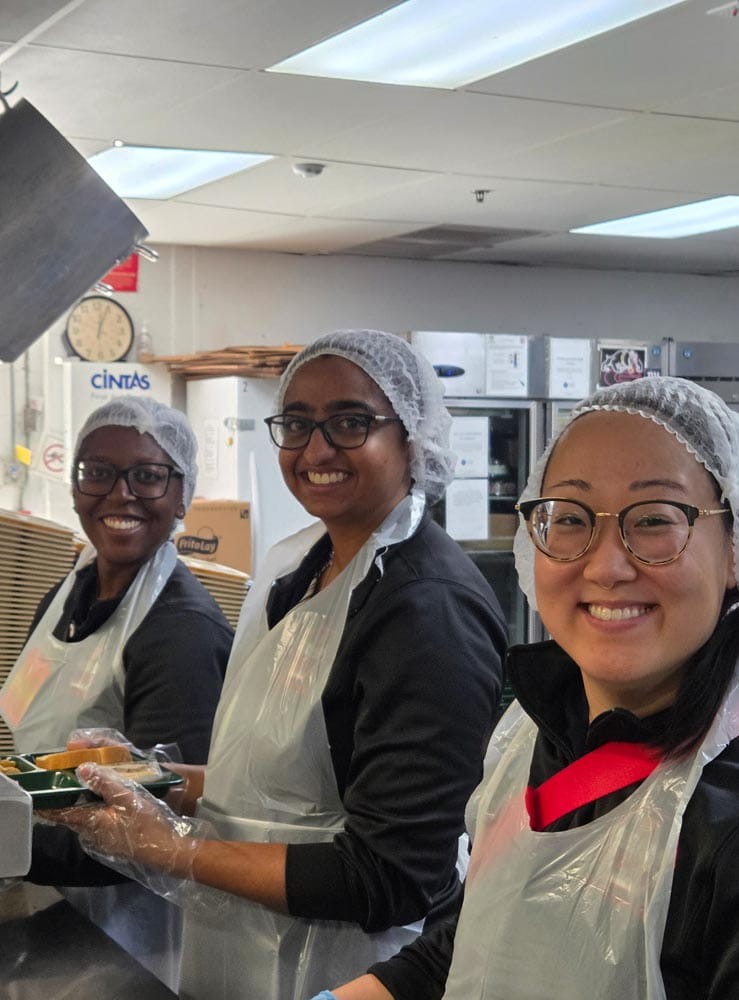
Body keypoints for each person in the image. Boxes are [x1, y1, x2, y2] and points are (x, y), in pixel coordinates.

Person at [49, 329, 507, 1000]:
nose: (315, 450)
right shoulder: (306, 568)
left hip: (348, 969)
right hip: (248, 947)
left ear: (413, 438)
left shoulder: (428, 608)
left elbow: (393, 875)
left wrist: (167, 848)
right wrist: (151, 779)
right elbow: (282, 786)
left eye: (349, 422)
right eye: (296, 423)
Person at [313, 375, 739, 1000]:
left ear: (734, 549)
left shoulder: (723, 814)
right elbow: (477, 941)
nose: (606, 566)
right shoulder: (533, 730)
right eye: (568, 518)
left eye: (654, 519)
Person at [0, 395, 233, 988]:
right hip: (52, 904)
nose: (119, 494)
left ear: (182, 495)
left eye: (148, 476)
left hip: (129, 941)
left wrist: (10, 842)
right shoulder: (68, 596)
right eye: (98, 472)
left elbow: (156, 826)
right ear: (76, 486)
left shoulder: (180, 632)